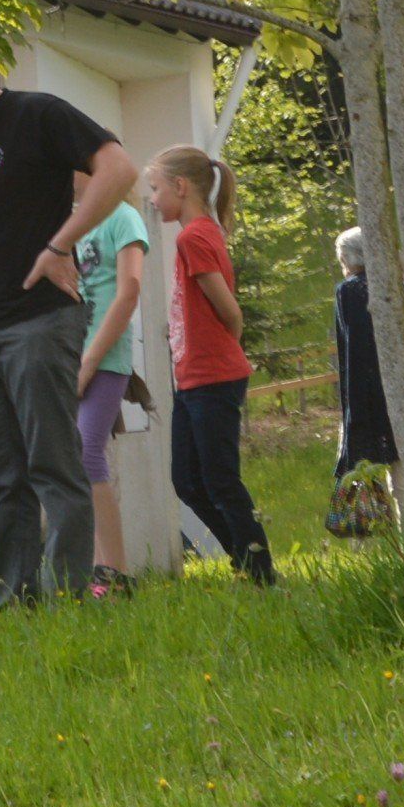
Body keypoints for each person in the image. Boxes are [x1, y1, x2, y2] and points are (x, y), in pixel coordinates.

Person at [0, 25, 140, 605]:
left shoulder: (37, 114)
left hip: (40, 319)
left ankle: (63, 594)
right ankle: (14, 599)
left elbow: (118, 168)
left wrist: (61, 244)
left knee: (53, 465)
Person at [149, 146, 275, 583]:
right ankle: (244, 559)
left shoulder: (193, 237)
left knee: (220, 481)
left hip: (212, 378)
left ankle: (260, 572)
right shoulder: (200, 234)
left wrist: (222, 351)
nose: (153, 198)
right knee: (187, 480)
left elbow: (230, 311)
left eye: (156, 188)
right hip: (191, 380)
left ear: (180, 187)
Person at [73, 172, 152, 590]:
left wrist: (89, 360)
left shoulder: (124, 217)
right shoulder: (73, 223)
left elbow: (129, 290)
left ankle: (116, 574)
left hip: (104, 358)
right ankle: (88, 571)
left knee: (87, 454)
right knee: (70, 461)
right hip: (68, 356)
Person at [329, 229, 399, 537]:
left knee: (362, 465)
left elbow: (352, 348)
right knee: (402, 469)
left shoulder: (349, 291)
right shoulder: (396, 286)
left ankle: (368, 532)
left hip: (365, 391)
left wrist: (351, 407)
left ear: (346, 258)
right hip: (397, 388)